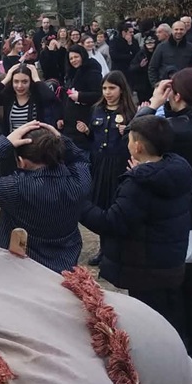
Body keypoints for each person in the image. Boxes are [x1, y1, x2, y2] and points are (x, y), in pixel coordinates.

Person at [136, 70, 192, 381]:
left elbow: (137, 136)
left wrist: (152, 104)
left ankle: (182, 358)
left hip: (180, 218)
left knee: (174, 293)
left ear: (179, 95)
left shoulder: (180, 127)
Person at [79, 114, 192, 345]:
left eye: (129, 140)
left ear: (138, 146)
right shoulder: (175, 170)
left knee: (153, 324)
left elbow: (112, 222)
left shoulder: (140, 185)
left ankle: (163, 369)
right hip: (169, 259)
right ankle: (190, 363)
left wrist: (78, 205)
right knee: (173, 316)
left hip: (145, 267)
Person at [0, 121, 91, 273]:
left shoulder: (16, 188)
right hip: (64, 265)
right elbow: (81, 159)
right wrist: (62, 140)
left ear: (22, 162)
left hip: (21, 269)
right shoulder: (79, 182)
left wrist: (6, 142)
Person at [81, 71, 137, 264]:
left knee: (117, 207)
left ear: (121, 89)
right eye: (104, 88)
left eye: (112, 88)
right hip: (99, 163)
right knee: (101, 207)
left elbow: (137, 143)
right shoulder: (97, 109)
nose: (107, 92)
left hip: (118, 165)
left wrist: (127, 132)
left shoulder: (130, 112)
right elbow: (95, 137)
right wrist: (87, 132)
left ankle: (118, 249)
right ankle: (104, 249)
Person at [60, 45, 103, 150]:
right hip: (69, 122)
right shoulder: (71, 74)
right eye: (71, 58)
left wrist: (80, 96)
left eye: (76, 57)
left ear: (82, 56)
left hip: (85, 119)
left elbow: (99, 95)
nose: (74, 60)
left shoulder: (92, 72)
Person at [148, 20, 192, 85]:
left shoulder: (191, 48)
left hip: (185, 86)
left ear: (185, 31)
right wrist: (156, 84)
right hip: (166, 86)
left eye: (181, 29)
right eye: (176, 29)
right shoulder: (161, 47)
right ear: (172, 30)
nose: (179, 32)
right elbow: (152, 67)